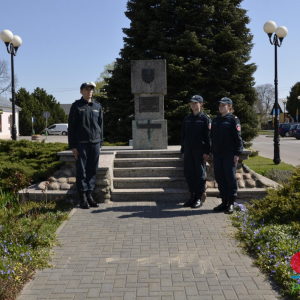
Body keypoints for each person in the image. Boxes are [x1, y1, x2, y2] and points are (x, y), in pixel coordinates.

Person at [68, 82, 103, 209]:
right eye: (86, 89)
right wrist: (72, 146)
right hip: (81, 144)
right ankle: (82, 197)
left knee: (92, 170)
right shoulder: (76, 106)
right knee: (82, 171)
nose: (89, 91)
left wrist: (101, 143)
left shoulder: (97, 107)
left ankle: (90, 195)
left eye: (91, 89)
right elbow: (71, 128)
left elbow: (100, 126)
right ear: (81, 91)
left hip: (95, 143)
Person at [211, 97, 243, 214]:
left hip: (229, 154)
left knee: (230, 178)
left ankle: (231, 203)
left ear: (230, 107)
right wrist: (213, 151)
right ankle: (224, 202)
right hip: (218, 154)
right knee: (220, 178)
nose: (221, 107)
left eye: (223, 105)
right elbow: (213, 138)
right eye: (220, 105)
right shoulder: (215, 120)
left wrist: (237, 153)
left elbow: (238, 138)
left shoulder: (234, 120)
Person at [180, 95, 211, 208]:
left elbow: (209, 137)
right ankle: (192, 197)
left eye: (195, 103)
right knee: (189, 173)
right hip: (188, 150)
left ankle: (199, 198)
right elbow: (183, 136)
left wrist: (207, 152)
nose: (193, 105)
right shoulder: (187, 119)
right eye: (192, 103)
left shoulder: (205, 118)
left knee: (200, 174)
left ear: (201, 104)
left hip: (200, 151)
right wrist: (183, 150)